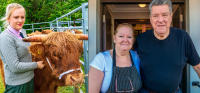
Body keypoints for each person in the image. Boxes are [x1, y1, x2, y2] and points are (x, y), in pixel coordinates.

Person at [134, 0, 200, 93]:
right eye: (155, 16)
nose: (160, 20)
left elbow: (198, 67)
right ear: (150, 19)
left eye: (164, 15)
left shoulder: (182, 37)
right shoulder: (140, 39)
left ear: (171, 16)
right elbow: (127, 60)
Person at [0, 3, 45, 93]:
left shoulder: (22, 32)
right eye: (16, 17)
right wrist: (36, 65)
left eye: (22, 17)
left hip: (29, 79)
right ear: (8, 18)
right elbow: (15, 67)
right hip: (17, 85)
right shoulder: (5, 38)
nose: (20, 20)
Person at [89, 23, 142, 93]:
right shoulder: (101, 59)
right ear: (114, 38)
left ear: (133, 40)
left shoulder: (136, 57)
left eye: (129, 37)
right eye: (121, 36)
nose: (125, 40)